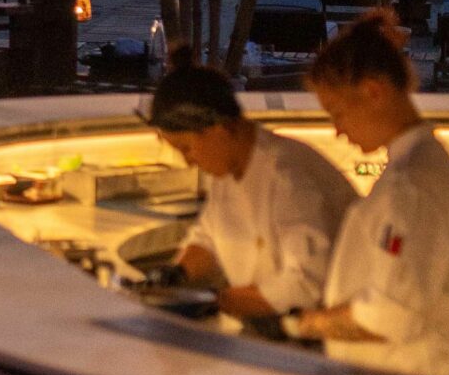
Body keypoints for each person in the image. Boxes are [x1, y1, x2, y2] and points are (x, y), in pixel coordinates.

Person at [292, 11, 449, 375]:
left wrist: (303, 324)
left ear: (374, 92)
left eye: (337, 113)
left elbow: (390, 318)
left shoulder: (411, 185)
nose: (337, 131)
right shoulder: (414, 164)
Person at [146, 50, 353, 323]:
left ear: (219, 129)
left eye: (187, 148)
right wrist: (177, 273)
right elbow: (208, 237)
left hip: (311, 332)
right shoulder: (226, 170)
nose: (187, 161)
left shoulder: (288, 177)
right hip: (262, 324)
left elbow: (305, 285)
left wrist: (218, 300)